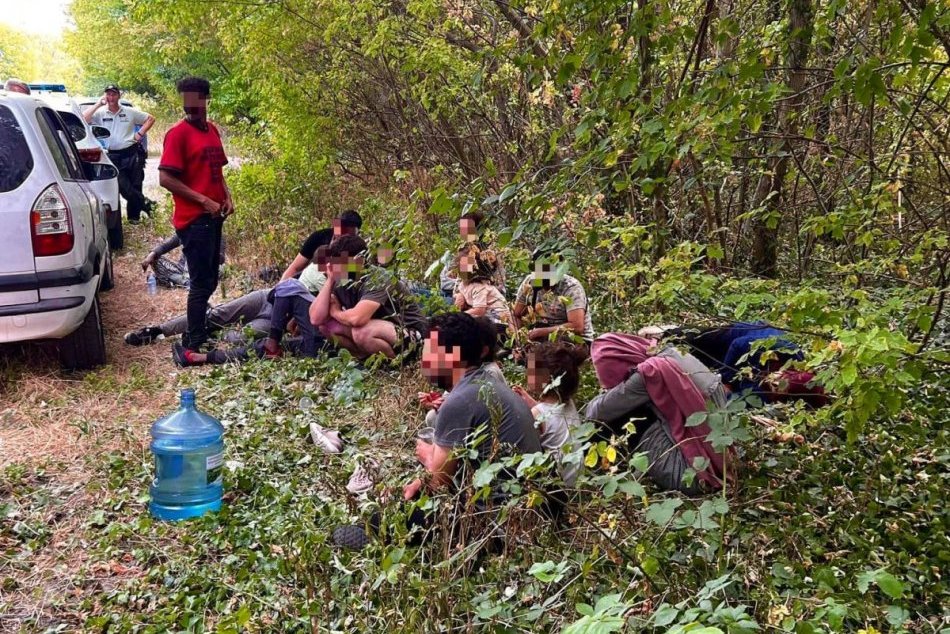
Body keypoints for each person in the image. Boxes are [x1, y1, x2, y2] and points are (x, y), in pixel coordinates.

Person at [584, 333, 734, 494]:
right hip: (724, 459)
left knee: (617, 415)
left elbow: (596, 412)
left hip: (694, 478)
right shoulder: (668, 351)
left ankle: (595, 478)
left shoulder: (649, 372)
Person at [158, 76, 234, 365]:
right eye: (185, 97)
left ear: (204, 99)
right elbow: (165, 178)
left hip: (215, 216)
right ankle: (194, 339)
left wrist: (227, 196)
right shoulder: (178, 134)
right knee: (201, 282)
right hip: (194, 219)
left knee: (211, 277)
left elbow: (217, 171)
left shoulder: (211, 130)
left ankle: (198, 328)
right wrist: (203, 200)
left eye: (195, 97)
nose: (189, 104)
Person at [644, 322, 828, 406]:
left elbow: (737, 400)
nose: (772, 381)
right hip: (736, 336)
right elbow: (738, 345)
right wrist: (727, 379)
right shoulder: (787, 351)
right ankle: (664, 332)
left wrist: (725, 391)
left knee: (689, 365)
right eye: (779, 380)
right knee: (694, 338)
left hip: (736, 368)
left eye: (777, 388)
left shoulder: (768, 395)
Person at [310, 235, 428, 360]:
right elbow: (316, 319)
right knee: (327, 326)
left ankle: (396, 365)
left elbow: (357, 319)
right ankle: (365, 358)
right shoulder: (340, 279)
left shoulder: (378, 277)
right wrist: (330, 281)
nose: (340, 267)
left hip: (411, 334)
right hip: (380, 331)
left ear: (359, 260)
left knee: (361, 332)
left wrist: (335, 312)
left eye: (344, 263)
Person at [512, 342, 588, 487]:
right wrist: (530, 400)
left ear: (546, 378)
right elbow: (550, 416)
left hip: (556, 487)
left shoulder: (537, 414)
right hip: (576, 483)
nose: (527, 374)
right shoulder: (567, 402)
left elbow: (538, 425)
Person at [83, 84, 155, 224]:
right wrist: (98, 104)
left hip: (132, 153)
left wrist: (139, 134)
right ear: (105, 96)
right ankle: (149, 206)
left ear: (119, 96)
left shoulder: (129, 112)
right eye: (108, 94)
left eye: (113, 94)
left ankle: (134, 218)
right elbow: (84, 119)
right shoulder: (101, 113)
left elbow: (150, 119)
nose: (111, 97)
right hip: (113, 156)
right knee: (123, 187)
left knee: (135, 185)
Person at [512, 248, 594, 344]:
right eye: (539, 271)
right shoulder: (531, 282)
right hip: (540, 338)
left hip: (573, 340)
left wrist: (542, 332)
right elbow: (517, 314)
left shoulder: (571, 287)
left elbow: (577, 327)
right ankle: (527, 357)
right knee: (530, 354)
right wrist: (519, 337)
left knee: (548, 354)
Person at [280, 210, 362, 281]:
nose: (343, 237)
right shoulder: (319, 237)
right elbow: (295, 268)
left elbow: (354, 277)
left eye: (349, 236)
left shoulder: (358, 249)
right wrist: (279, 289)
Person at [453, 243, 511, 334]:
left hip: (499, 322)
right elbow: (457, 296)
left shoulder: (480, 286)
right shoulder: (463, 283)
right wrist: (460, 297)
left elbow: (479, 310)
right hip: (484, 319)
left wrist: (458, 316)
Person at [140, 233, 226, 288]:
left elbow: (221, 259)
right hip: (181, 271)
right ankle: (184, 282)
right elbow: (165, 246)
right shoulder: (186, 231)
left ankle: (175, 281)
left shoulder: (217, 233)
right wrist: (151, 256)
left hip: (202, 271)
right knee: (154, 257)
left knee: (221, 269)